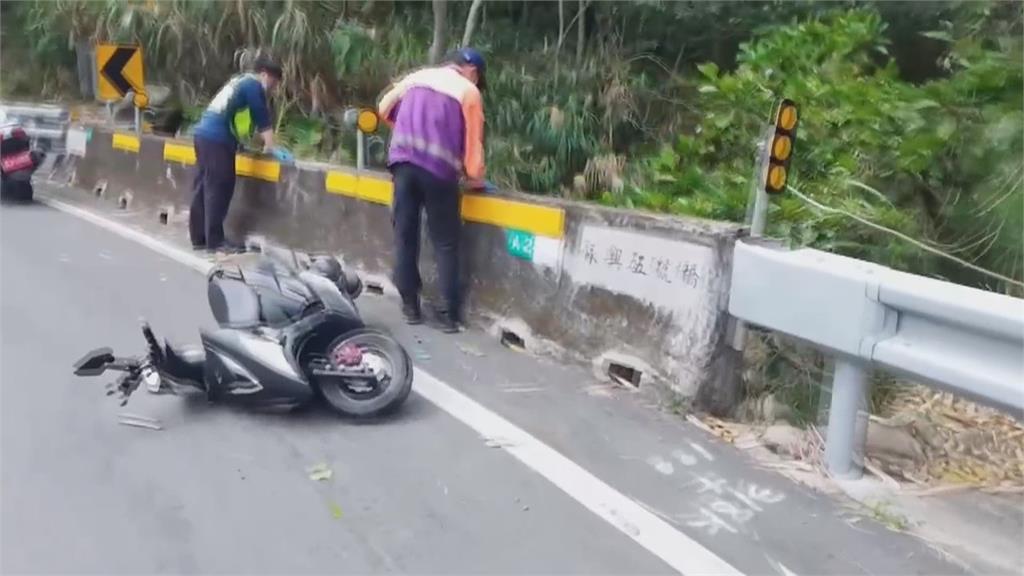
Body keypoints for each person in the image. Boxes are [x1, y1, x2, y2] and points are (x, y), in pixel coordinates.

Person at [377, 47, 487, 333]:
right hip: (439, 171)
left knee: (405, 235)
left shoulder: (417, 77)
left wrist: (402, 128)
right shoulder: (468, 92)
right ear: (472, 71)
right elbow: (473, 143)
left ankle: (410, 306)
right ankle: (448, 315)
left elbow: (383, 108)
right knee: (445, 242)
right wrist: (475, 176)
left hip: (403, 164)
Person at [189, 54, 281, 253]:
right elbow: (261, 114)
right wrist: (270, 146)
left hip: (203, 135)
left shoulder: (238, 81)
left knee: (203, 186)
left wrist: (241, 143)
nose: (273, 88)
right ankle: (215, 242)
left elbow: (232, 116)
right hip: (216, 139)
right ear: (264, 75)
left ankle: (199, 238)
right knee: (219, 188)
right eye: (273, 83)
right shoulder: (253, 86)